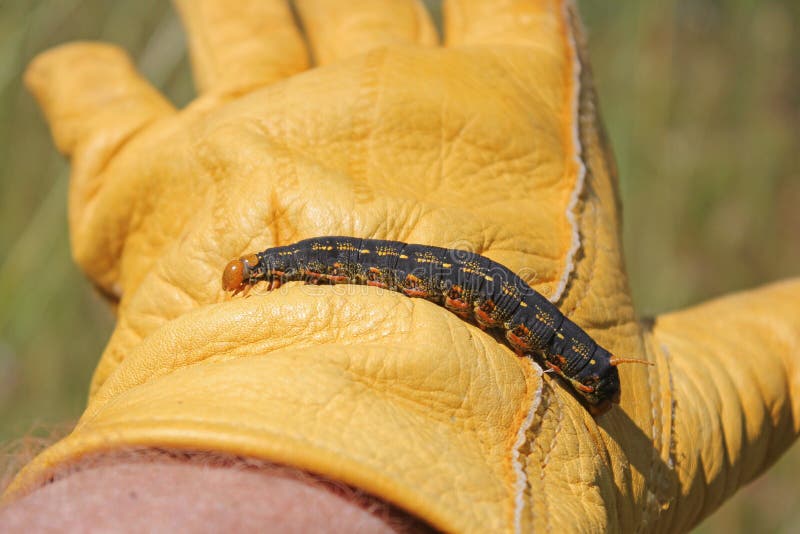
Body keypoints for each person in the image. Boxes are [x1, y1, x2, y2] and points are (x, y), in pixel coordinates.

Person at [2, 1, 799, 531]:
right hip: (504, 328)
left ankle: (579, 365)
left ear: (263, 273)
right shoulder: (305, 262)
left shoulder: (302, 263)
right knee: (450, 277)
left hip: (532, 330)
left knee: (464, 282)